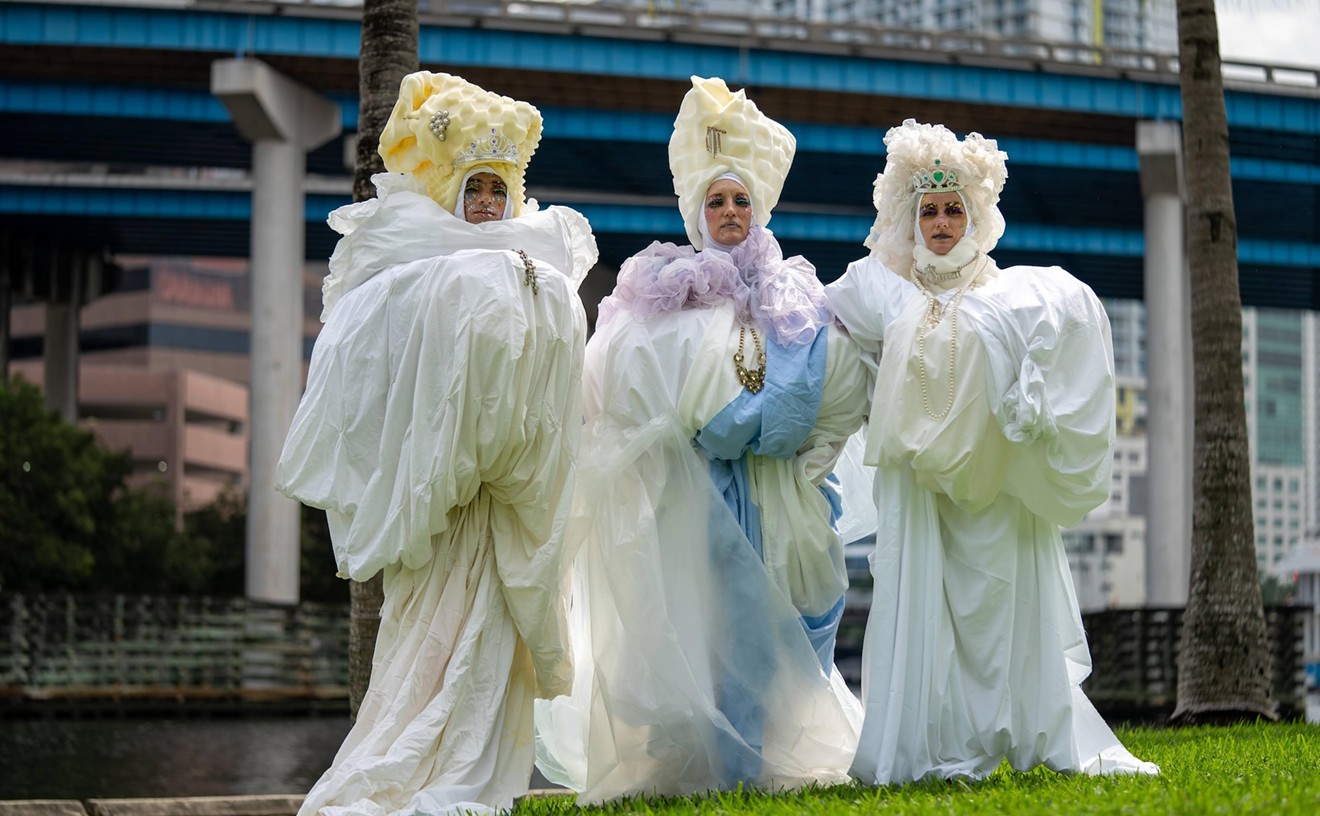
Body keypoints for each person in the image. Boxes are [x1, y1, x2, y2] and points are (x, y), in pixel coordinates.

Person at [534, 76, 869, 804]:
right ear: (695, 210)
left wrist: (741, 428)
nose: (728, 213)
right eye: (715, 201)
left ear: (760, 208)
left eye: (740, 200)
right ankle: (707, 762)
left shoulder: (795, 295)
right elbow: (619, 384)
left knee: (772, 625)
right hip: (685, 496)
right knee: (698, 626)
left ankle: (758, 755)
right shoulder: (659, 291)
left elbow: (806, 394)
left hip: (771, 497)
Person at [275, 71, 598, 815]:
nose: (487, 205)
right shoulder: (415, 275)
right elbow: (400, 382)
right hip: (445, 514)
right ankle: (419, 772)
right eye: (474, 190)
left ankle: (480, 781)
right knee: (426, 644)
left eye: (497, 191)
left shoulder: (535, 269)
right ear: (452, 193)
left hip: (504, 510)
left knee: (488, 651)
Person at [826, 119, 1160, 784]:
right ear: (909, 218)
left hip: (996, 493)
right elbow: (813, 325)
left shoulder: (1013, 297)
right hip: (920, 494)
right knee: (922, 611)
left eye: (955, 210)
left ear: (976, 216)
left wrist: (1032, 401)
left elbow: (1073, 334)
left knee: (1008, 610)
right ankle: (931, 750)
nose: (943, 222)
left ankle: (1033, 733)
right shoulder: (881, 289)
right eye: (929, 211)